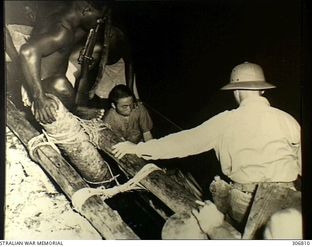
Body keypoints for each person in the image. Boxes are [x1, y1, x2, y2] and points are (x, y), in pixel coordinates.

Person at [112, 62, 302, 237]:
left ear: (236, 91)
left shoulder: (226, 121)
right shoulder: (288, 120)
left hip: (247, 203)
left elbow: (182, 143)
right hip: (290, 200)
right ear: (261, 90)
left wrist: (137, 148)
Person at [18, 1, 134, 124]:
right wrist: (39, 97)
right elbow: (27, 51)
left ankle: (72, 102)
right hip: (38, 83)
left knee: (96, 49)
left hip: (53, 69)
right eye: (98, 19)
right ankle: (75, 110)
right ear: (86, 10)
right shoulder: (62, 31)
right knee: (61, 84)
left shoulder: (66, 14)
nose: (98, 23)